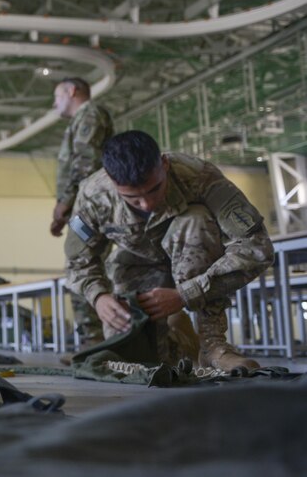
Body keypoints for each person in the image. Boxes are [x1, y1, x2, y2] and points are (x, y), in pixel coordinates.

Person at [64, 130, 274, 371]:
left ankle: (213, 347)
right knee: (137, 361)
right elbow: (77, 262)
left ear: (164, 164)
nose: (147, 203)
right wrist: (99, 297)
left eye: (154, 189)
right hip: (135, 267)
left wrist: (185, 294)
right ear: (112, 181)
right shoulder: (93, 196)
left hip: (197, 257)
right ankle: (179, 336)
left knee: (194, 220)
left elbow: (257, 246)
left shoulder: (199, 176)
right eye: (133, 198)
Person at [50, 77, 113, 354]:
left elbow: (86, 160)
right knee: (81, 261)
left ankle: (95, 341)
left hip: (89, 204)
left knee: (82, 262)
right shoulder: (80, 121)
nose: (54, 103)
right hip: (83, 204)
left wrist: (65, 202)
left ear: (72, 91)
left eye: (57, 96)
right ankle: (93, 341)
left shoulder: (90, 114)